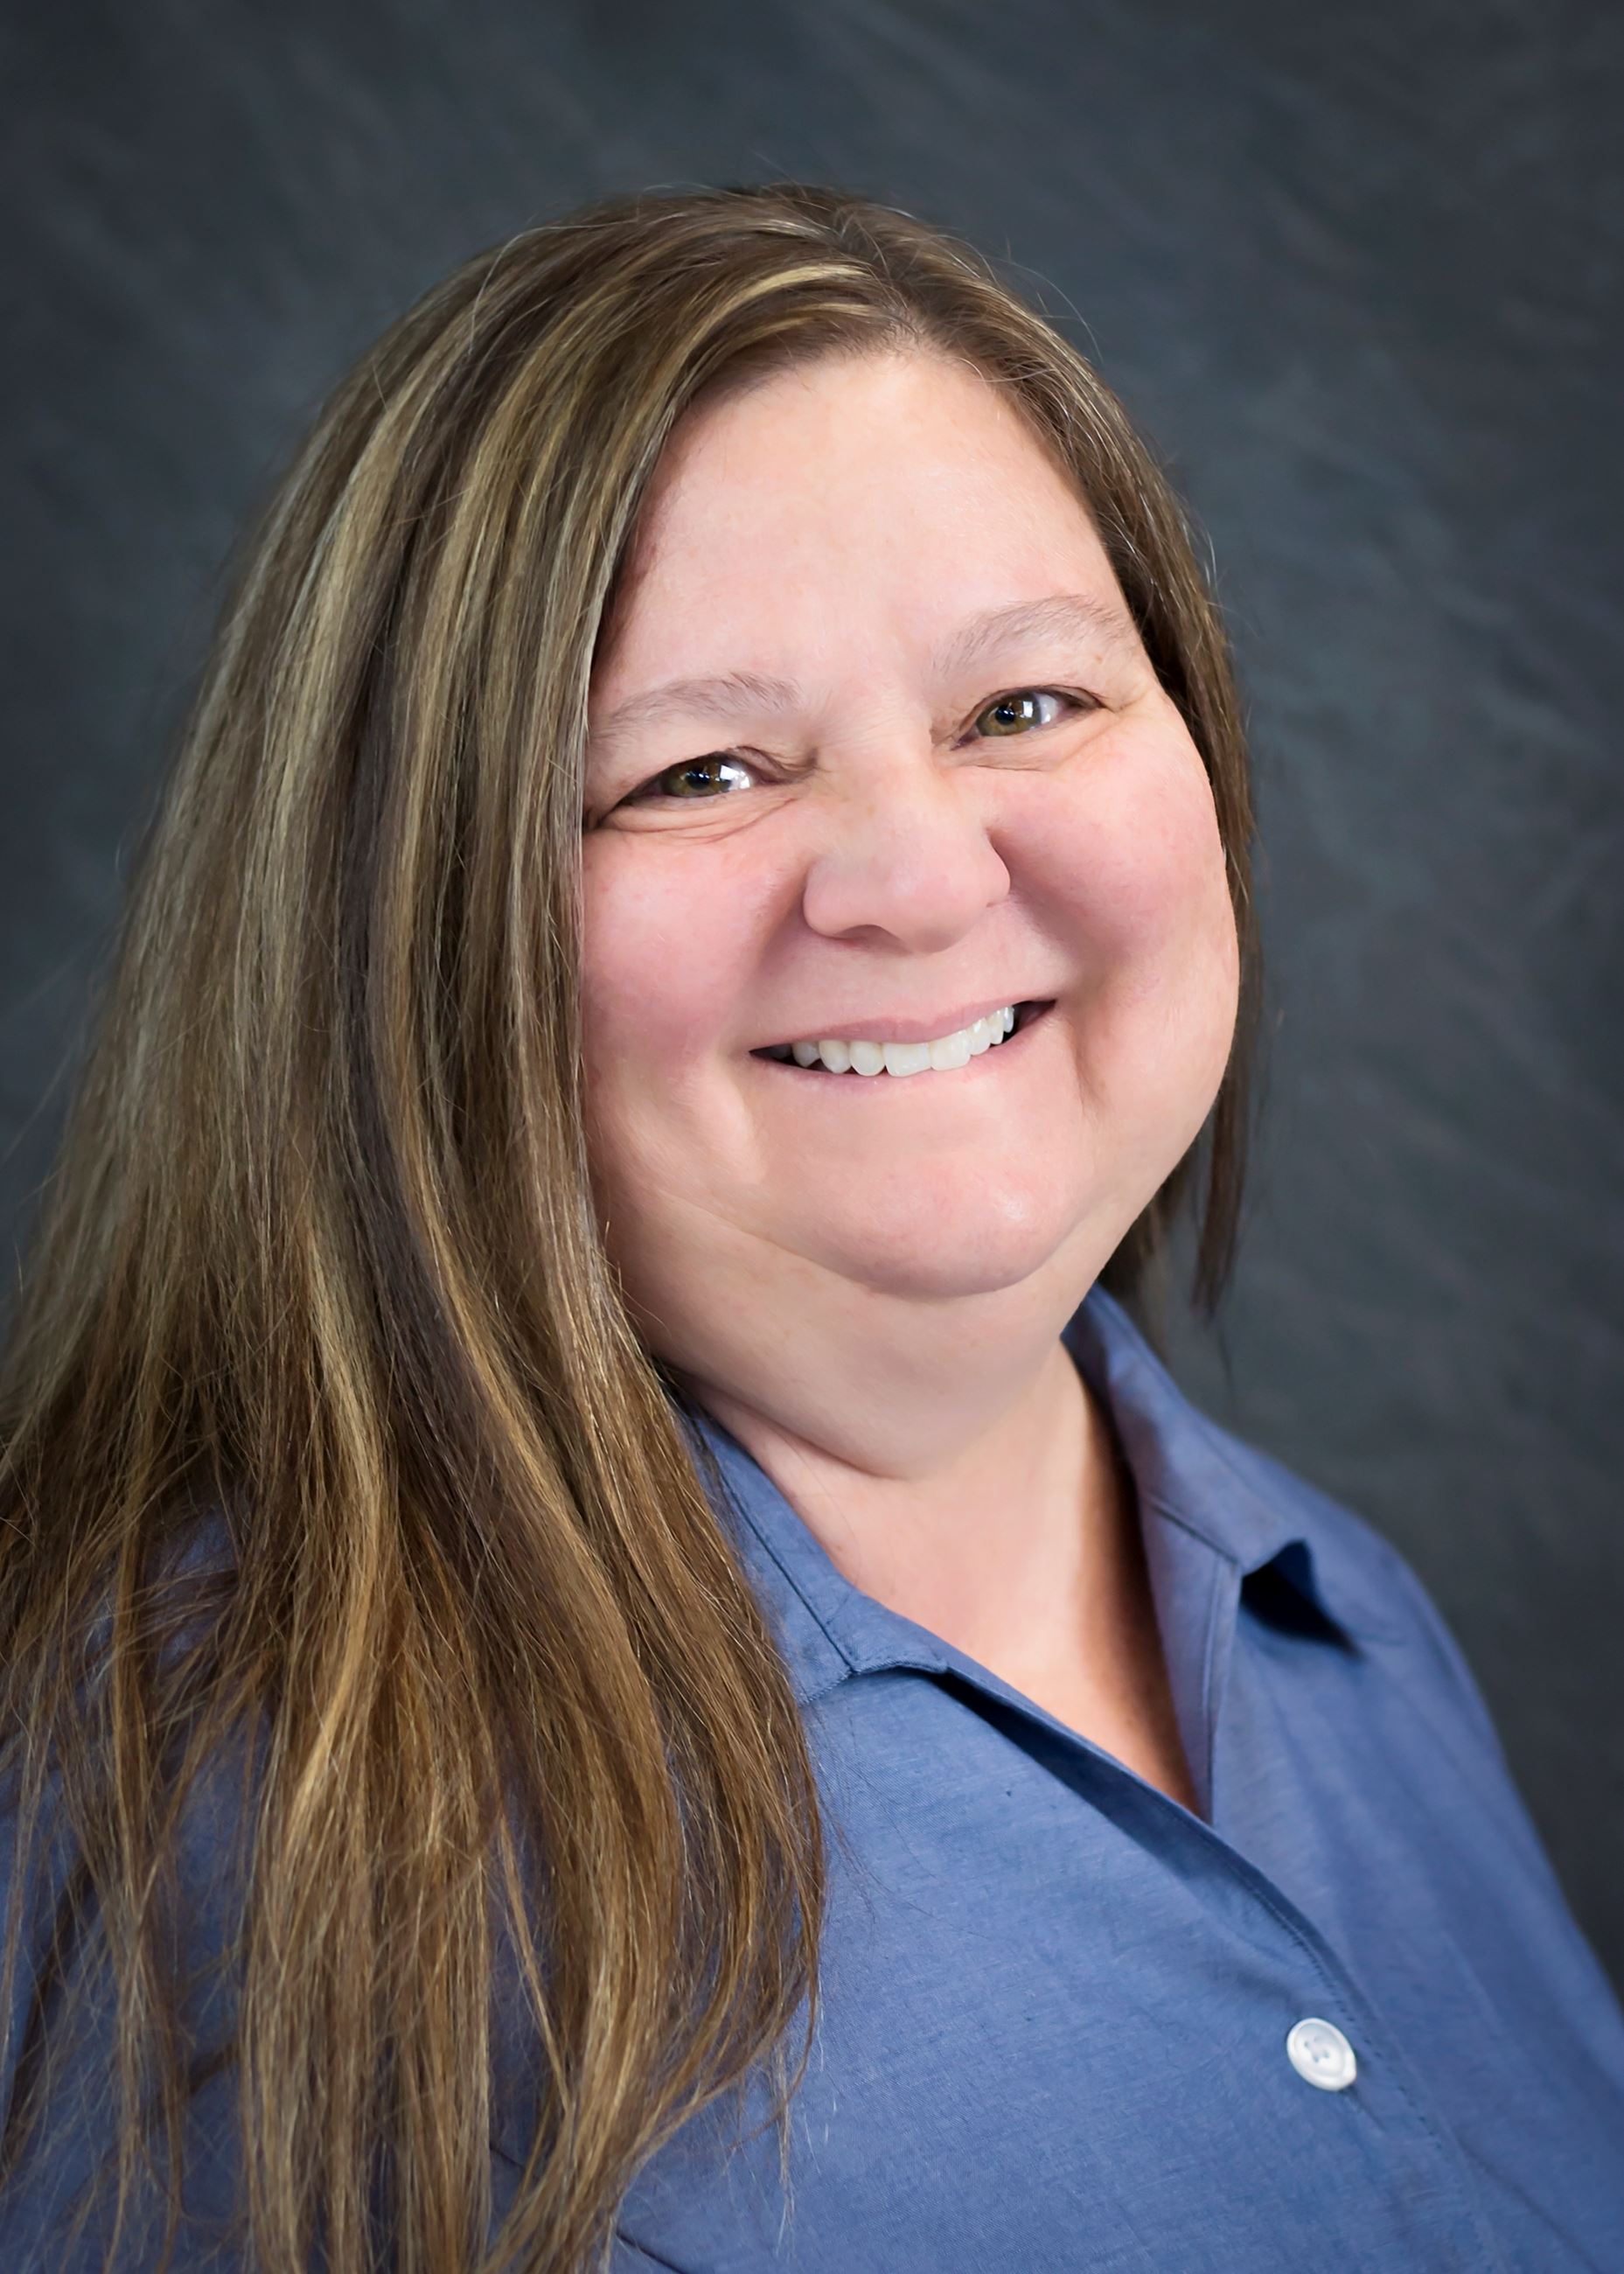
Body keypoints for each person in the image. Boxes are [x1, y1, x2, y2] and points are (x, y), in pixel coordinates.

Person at [0, 181, 1618, 2274]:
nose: (918, 880)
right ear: (404, 928)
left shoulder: (1348, 1633)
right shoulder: (206, 1840)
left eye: (1021, 707)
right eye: (699, 772)